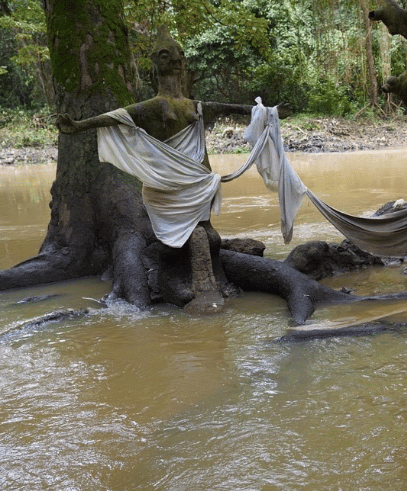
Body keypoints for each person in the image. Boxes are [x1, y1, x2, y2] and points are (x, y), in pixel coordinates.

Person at [56, 26, 284, 311]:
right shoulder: (151, 107)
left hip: (198, 182)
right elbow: (115, 118)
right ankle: (178, 283)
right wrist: (77, 126)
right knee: (183, 241)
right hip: (169, 184)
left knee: (209, 236)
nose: (174, 60)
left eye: (178, 55)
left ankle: (212, 283)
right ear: (155, 64)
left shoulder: (195, 105)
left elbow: (234, 108)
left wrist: (270, 112)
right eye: (166, 55)